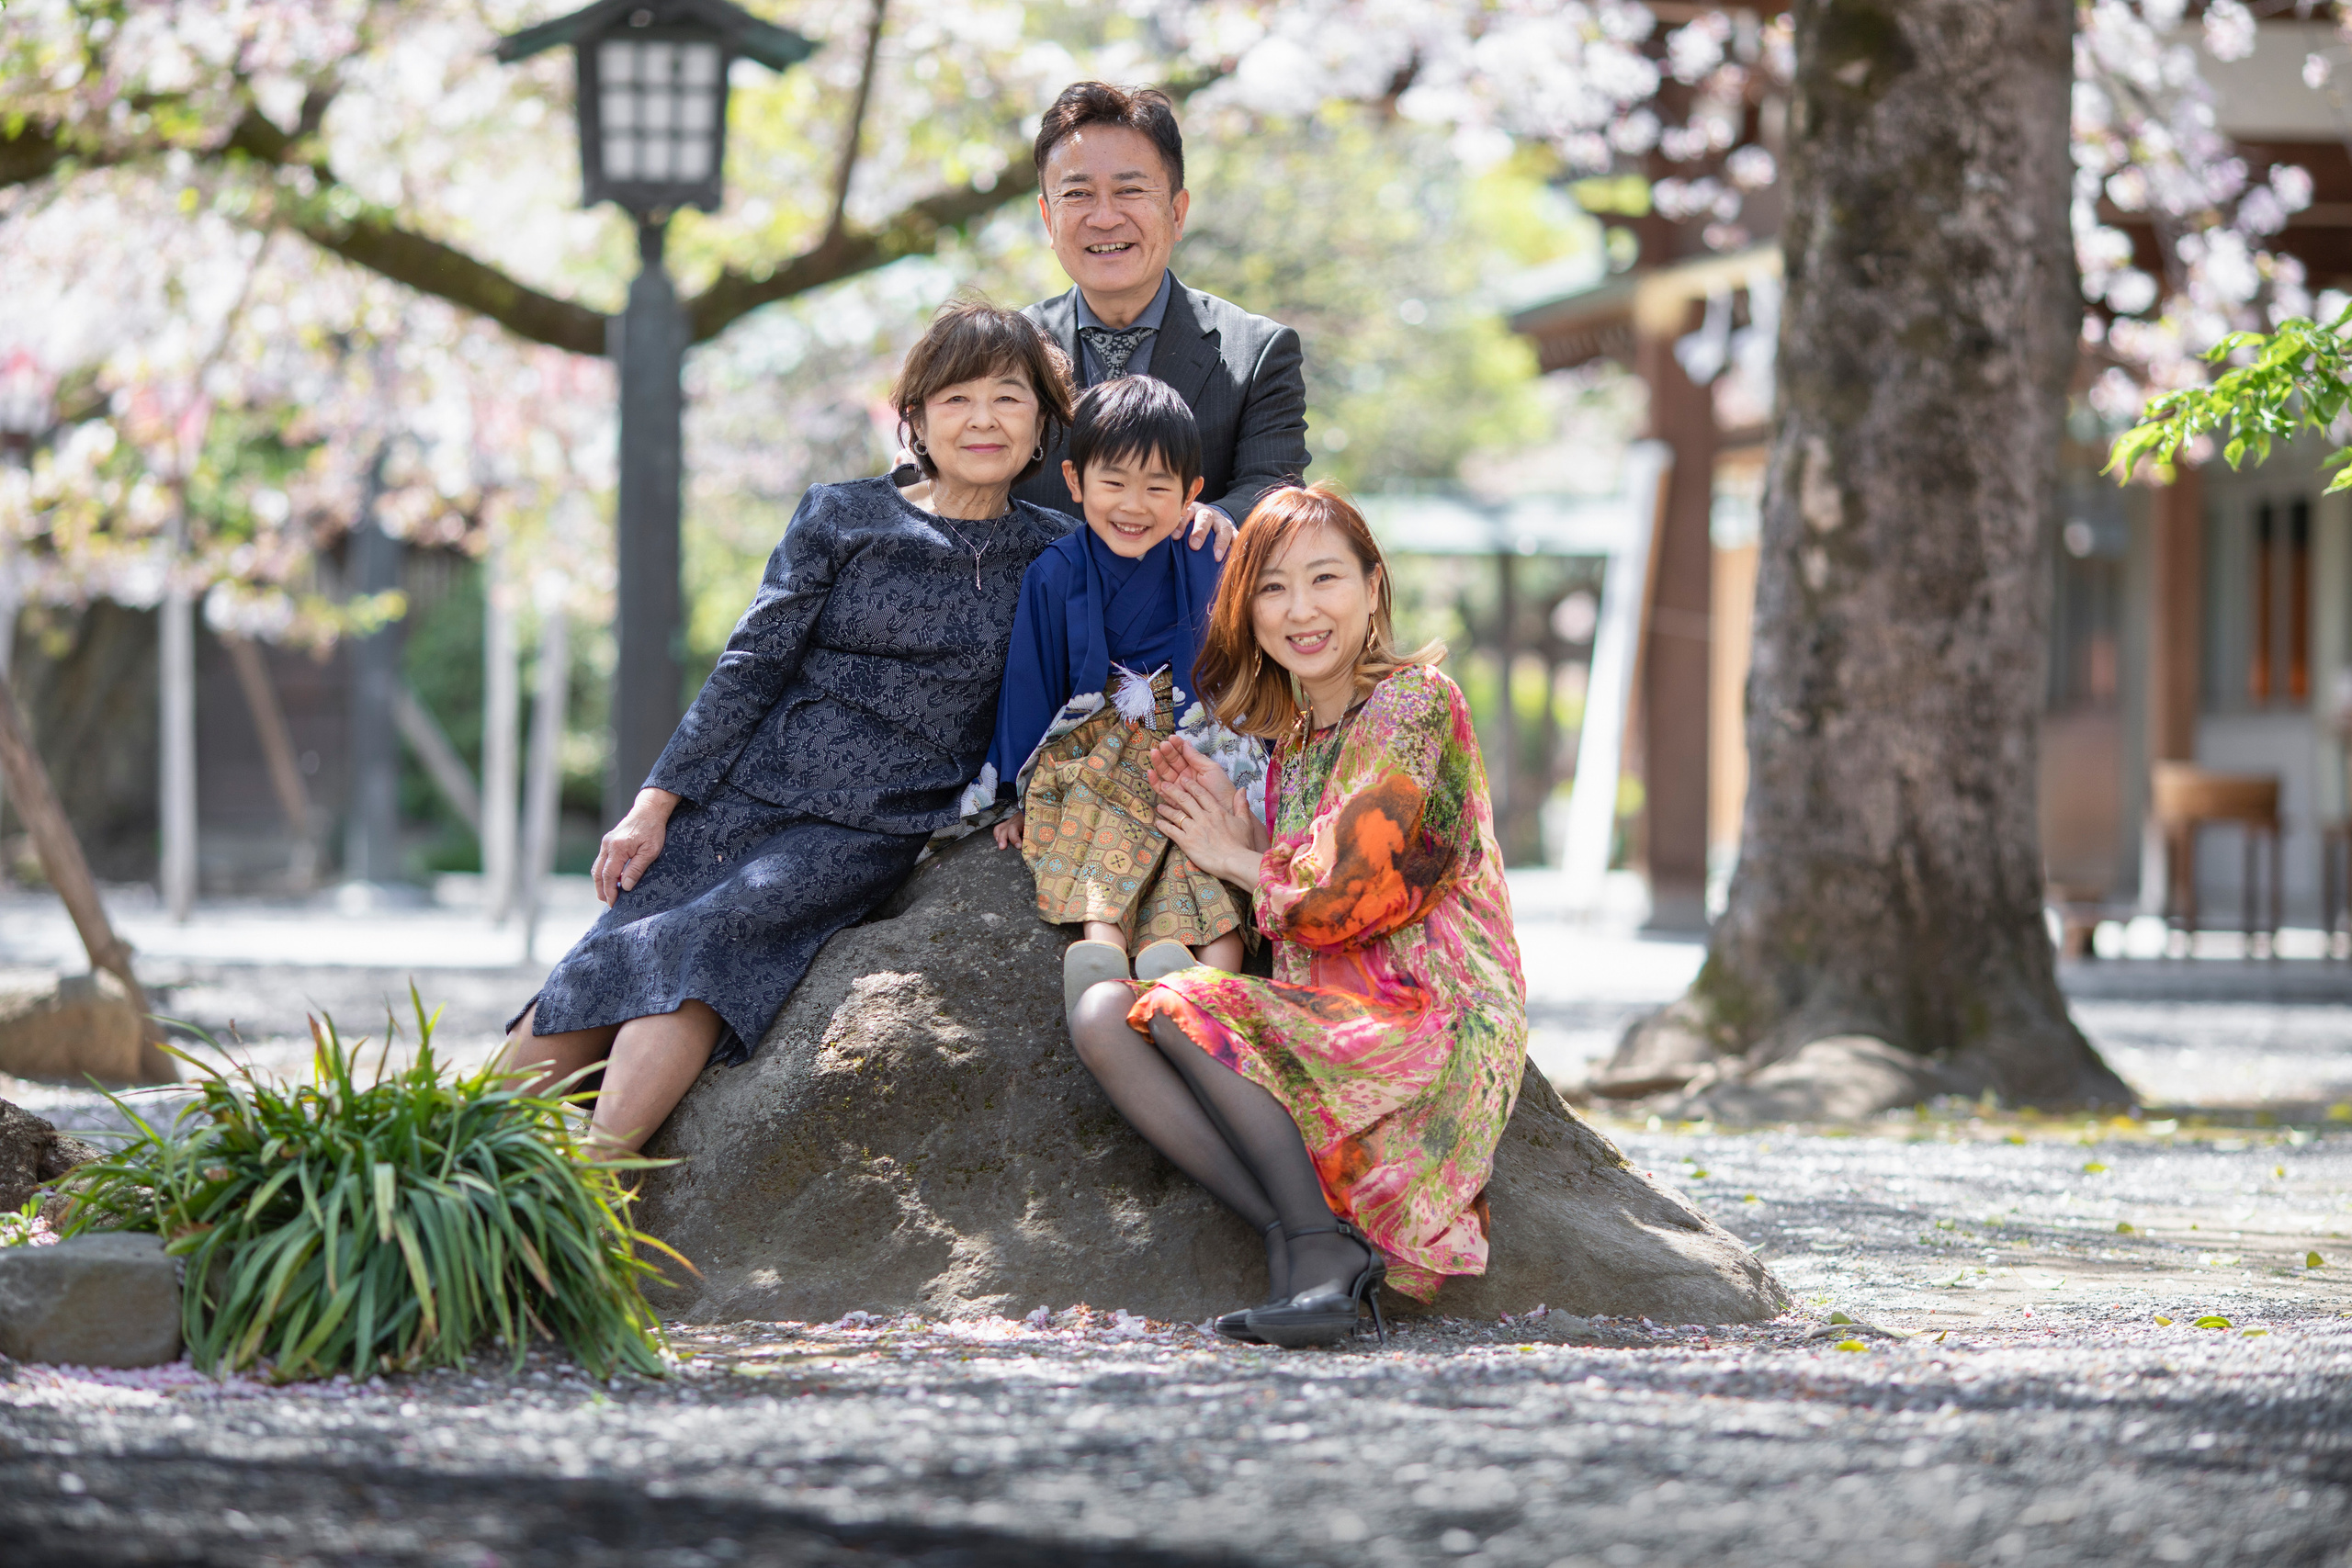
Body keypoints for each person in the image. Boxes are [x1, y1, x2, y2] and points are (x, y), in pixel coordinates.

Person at [500, 301, 1078, 1154]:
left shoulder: (1057, 554)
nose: (983, 419)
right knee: (609, 952)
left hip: (867, 824)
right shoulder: (841, 514)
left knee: (706, 943)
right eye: (957, 399)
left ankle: (597, 1186)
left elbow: (1077, 688)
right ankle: (444, 1170)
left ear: (1042, 423)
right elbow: (750, 664)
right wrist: (654, 804)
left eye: (1008, 397)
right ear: (916, 418)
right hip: (745, 794)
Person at [1065, 484, 1529, 1348]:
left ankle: (1319, 1251)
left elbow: (1348, 895)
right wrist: (1247, 830)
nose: (1302, 609)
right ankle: (1304, 1234)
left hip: (1425, 1022)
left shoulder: (1413, 702)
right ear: (1248, 609)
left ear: (1372, 585)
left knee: (1177, 997)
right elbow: (1303, 887)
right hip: (1329, 1025)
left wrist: (1237, 857)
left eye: (1326, 579)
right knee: (1101, 1015)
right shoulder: (1297, 745)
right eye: (1274, 587)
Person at [969, 376, 1271, 1018]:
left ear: (1192, 493)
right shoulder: (1056, 570)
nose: (1133, 505)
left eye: (1158, 486)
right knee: (1094, 819)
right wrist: (1013, 797)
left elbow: (1244, 663)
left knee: (1204, 830)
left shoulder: (1207, 556)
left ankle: (1209, 972)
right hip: (1095, 747)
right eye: (1114, 483)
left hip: (1189, 742)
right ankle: (1101, 946)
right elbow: (1032, 681)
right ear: (1076, 482)